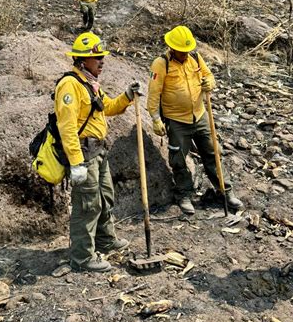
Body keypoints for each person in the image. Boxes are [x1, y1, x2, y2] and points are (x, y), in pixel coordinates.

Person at [55, 32, 140, 272]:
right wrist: (76, 163)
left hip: (99, 151)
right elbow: (67, 127)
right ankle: (82, 257)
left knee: (104, 197)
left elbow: (109, 107)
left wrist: (127, 96)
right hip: (84, 153)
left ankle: (105, 239)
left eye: (102, 57)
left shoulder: (90, 83)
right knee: (87, 205)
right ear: (82, 61)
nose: (102, 61)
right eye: (98, 58)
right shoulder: (69, 85)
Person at [147, 25, 243, 215]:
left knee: (213, 152)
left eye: (187, 51)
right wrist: (155, 118)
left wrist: (210, 82)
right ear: (172, 48)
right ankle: (184, 194)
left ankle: (225, 191)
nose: (185, 54)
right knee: (178, 159)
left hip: (199, 115)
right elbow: (154, 92)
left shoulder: (195, 58)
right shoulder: (161, 64)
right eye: (181, 52)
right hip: (176, 120)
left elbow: (208, 75)